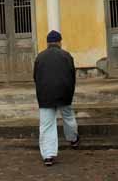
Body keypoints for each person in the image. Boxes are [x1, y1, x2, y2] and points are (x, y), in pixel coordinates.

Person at [33, 30, 80, 167]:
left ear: (47, 43)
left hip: (45, 94)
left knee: (47, 125)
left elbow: (35, 77)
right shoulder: (66, 56)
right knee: (68, 117)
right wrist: (69, 92)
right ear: (60, 42)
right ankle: (73, 139)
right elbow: (72, 76)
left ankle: (48, 156)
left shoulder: (40, 57)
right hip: (64, 92)